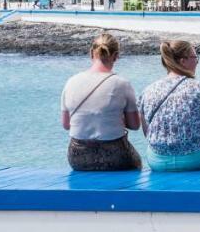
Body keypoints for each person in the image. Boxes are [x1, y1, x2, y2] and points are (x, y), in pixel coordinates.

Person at [60, 32, 142, 171]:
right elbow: (134, 125)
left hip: (78, 156)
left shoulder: (71, 82)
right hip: (115, 154)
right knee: (137, 164)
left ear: (91, 53)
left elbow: (66, 125)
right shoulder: (122, 84)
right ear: (115, 56)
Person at [139, 39, 200, 171]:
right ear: (183, 61)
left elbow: (147, 133)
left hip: (158, 161)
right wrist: (195, 148)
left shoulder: (148, 91)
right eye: (195, 57)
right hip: (196, 158)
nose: (197, 62)